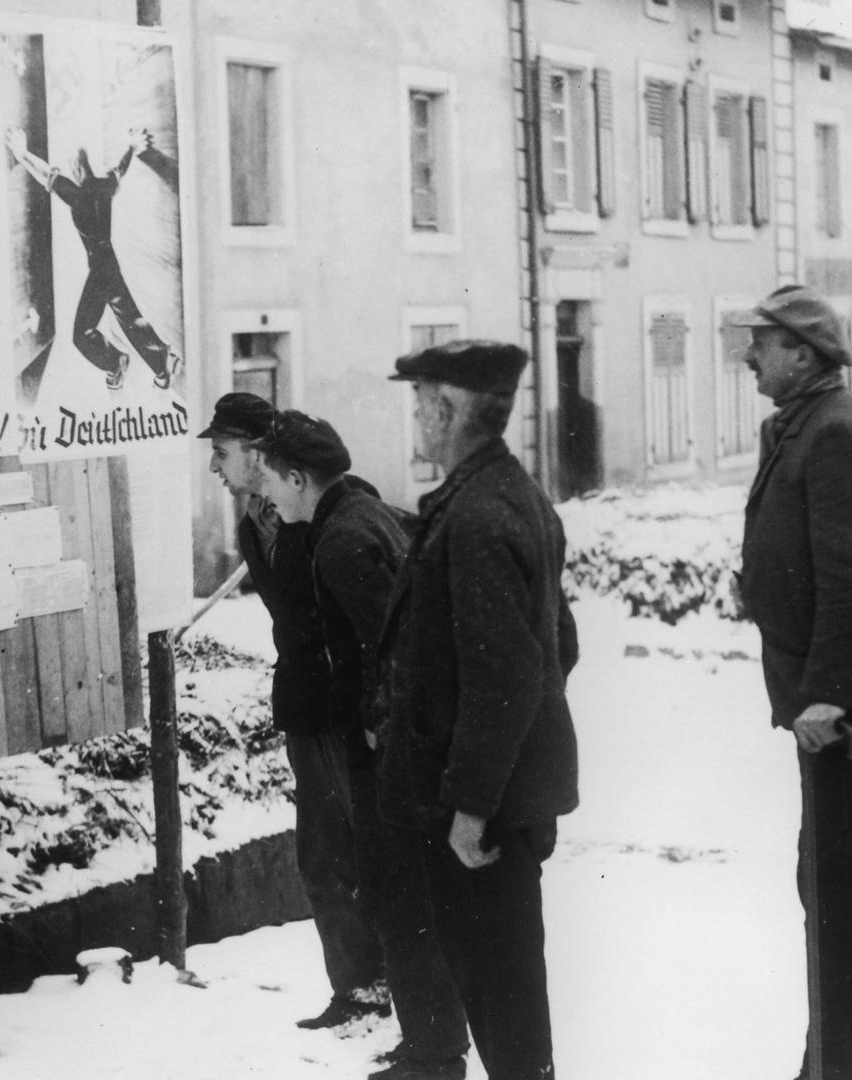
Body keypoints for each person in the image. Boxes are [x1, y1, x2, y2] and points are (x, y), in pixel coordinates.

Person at [730, 285, 852, 1080]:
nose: (749, 356)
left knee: (836, 890)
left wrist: (828, 696)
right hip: (845, 700)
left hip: (847, 710)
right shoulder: (810, 425)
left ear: (802, 354)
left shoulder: (833, 432)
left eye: (763, 344)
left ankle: (839, 1066)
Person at [376, 340, 579, 1080]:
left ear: (452, 408)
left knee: (503, 999)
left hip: (479, 814)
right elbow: (561, 647)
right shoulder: (510, 497)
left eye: (422, 400)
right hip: (501, 797)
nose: (418, 418)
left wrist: (471, 803)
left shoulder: (476, 515)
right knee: (506, 990)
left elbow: (508, 674)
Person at [257, 411, 468, 1080]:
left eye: (269, 480)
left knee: (397, 894)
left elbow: (392, 647)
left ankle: (431, 1054)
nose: (265, 495)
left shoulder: (340, 541)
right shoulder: (361, 511)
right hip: (403, 744)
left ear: (298, 478)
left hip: (388, 754)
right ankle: (432, 1042)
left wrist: (381, 725)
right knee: (406, 894)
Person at [197, 393, 391, 1030]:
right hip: (309, 706)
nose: (215, 469)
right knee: (322, 855)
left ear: (260, 455)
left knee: (378, 853)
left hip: (352, 709)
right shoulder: (256, 519)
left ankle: (409, 993)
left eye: (222, 453)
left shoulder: (334, 507)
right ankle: (359, 990)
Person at [4, 124, 181, 391]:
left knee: (88, 332)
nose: (67, 170)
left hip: (101, 269)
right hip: (105, 264)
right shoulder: (104, 187)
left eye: (69, 165)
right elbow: (121, 168)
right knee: (125, 317)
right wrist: (131, 147)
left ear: (76, 167)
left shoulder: (77, 195)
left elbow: (45, 175)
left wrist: (23, 155)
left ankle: (144, 363)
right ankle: (138, 362)